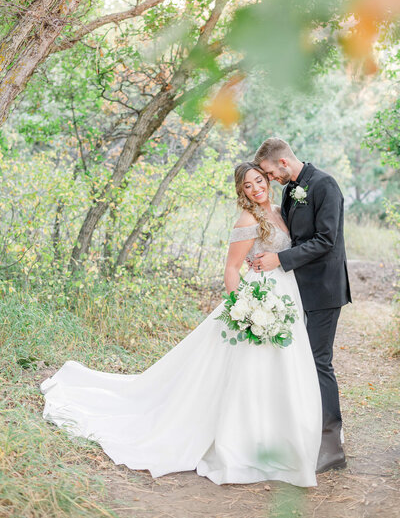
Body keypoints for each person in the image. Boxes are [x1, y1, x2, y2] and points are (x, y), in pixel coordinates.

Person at [40, 162, 322, 487]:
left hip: (284, 297)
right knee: (249, 372)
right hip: (256, 300)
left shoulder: (277, 210)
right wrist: (241, 308)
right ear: (241, 191)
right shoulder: (247, 220)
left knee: (281, 369)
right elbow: (231, 269)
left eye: (259, 180)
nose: (256, 188)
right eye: (248, 185)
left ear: (267, 180)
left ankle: (279, 439)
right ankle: (243, 442)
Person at [252, 138, 351, 473]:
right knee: (300, 362)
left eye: (268, 172)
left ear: (282, 163)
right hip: (297, 289)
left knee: (319, 362)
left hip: (324, 289)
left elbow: (326, 239)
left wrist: (280, 260)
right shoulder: (289, 188)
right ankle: (304, 433)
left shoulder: (325, 185)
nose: (269, 178)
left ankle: (331, 445)